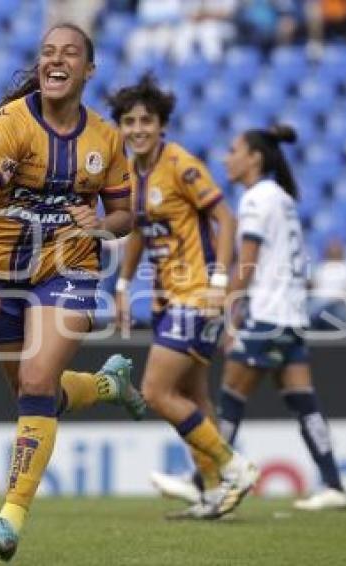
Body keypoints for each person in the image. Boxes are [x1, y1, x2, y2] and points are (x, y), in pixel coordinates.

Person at [0, 24, 146, 561]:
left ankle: (9, 520)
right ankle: (108, 387)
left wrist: (100, 224)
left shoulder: (105, 139)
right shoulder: (8, 125)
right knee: (31, 392)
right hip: (3, 272)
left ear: (89, 69)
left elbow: (124, 218)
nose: (56, 60)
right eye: (48, 53)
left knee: (38, 379)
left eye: (69, 53)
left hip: (70, 269)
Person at [149, 125, 346, 511]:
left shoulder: (255, 199)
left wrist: (227, 309)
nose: (227, 158)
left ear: (254, 157)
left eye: (233, 150)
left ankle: (202, 480)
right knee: (302, 400)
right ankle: (334, 484)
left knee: (228, 399)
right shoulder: (282, 198)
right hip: (291, 313)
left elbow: (247, 261)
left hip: (267, 313)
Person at [109, 74, 258, 520]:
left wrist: (218, 281)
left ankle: (235, 467)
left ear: (161, 125)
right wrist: (122, 284)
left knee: (155, 390)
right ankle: (213, 492)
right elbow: (138, 229)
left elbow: (225, 217)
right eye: (129, 121)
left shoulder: (179, 163)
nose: (138, 129)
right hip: (167, 298)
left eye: (146, 121)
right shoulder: (130, 175)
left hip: (195, 294)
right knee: (193, 396)